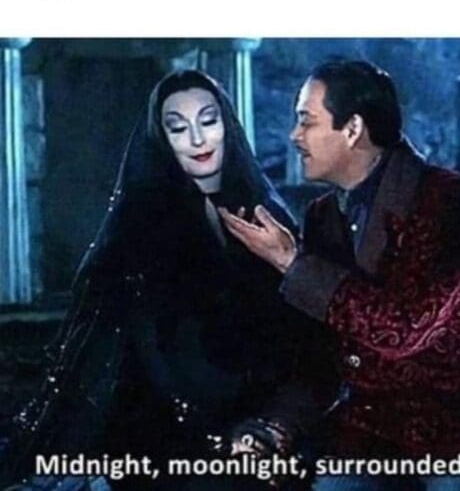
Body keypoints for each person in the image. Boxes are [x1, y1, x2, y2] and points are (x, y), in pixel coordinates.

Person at [1, 70, 333, 491]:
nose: (197, 139)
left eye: (208, 121)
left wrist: (272, 423)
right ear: (162, 138)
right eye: (178, 128)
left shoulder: (265, 211)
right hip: (169, 430)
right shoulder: (140, 225)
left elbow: (304, 333)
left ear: (227, 125)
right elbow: (141, 349)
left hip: (266, 416)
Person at [220, 60, 460, 491]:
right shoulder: (323, 216)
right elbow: (324, 356)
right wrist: (275, 427)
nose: (294, 136)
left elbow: (406, 326)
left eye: (307, 121)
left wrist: (292, 263)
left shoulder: (450, 200)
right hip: (371, 435)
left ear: (353, 129)